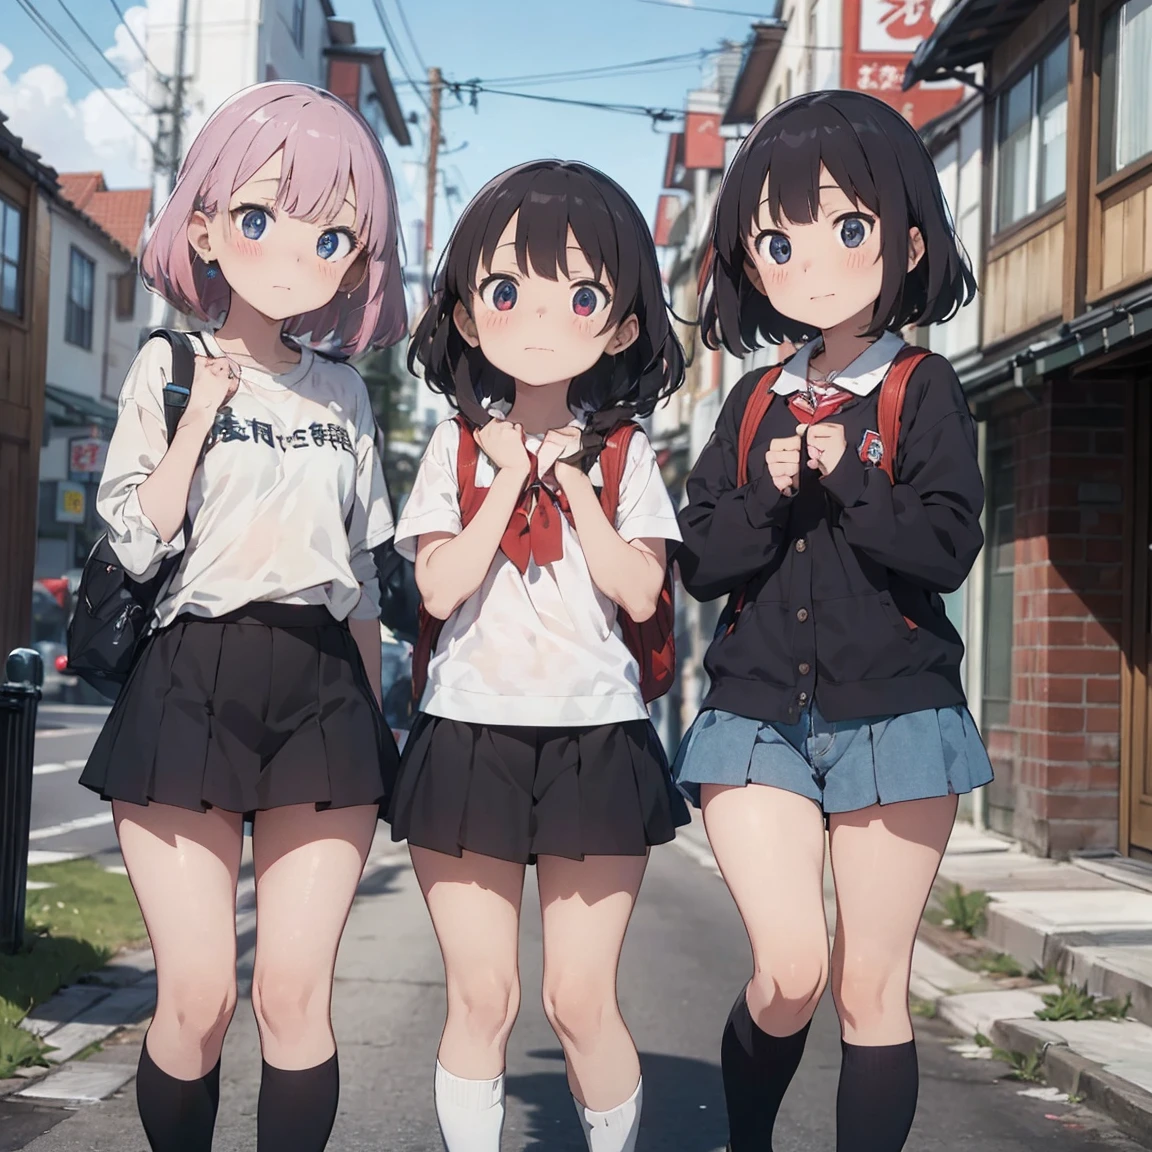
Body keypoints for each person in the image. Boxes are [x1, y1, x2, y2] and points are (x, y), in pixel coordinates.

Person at [78, 81, 407, 1152]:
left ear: (357, 260)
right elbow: (135, 537)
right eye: (257, 218)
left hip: (322, 689)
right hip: (192, 677)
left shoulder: (344, 394)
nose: (288, 250)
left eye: (329, 232)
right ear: (208, 228)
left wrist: (387, 724)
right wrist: (201, 417)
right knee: (201, 1000)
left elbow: (357, 570)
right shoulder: (166, 369)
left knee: (294, 1003)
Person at [673, 90, 992, 1152]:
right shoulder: (754, 401)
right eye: (779, 238)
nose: (812, 260)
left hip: (896, 718)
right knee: (791, 971)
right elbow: (706, 562)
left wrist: (853, 476)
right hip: (757, 715)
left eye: (847, 230)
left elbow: (947, 547)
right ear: (750, 258)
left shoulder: (921, 389)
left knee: (871, 989)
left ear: (903, 242)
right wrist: (765, 490)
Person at [387, 160, 689, 1152]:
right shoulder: (456, 450)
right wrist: (509, 471)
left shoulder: (627, 453)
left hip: (596, 738)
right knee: (482, 997)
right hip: (468, 731)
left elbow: (640, 590)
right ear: (471, 317)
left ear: (622, 325)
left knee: (576, 1000)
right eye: (508, 290)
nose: (541, 317)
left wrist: (578, 488)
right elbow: (435, 589)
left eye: (584, 295)